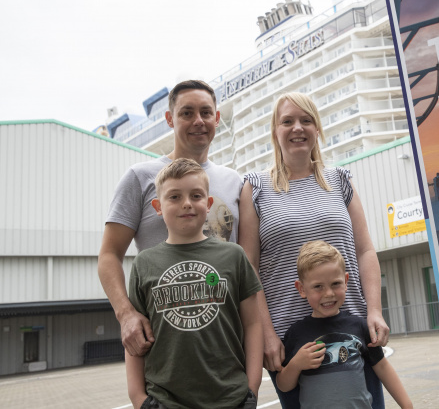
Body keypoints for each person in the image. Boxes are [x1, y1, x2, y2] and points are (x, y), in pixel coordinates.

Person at [238, 92, 390, 409]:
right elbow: (247, 267)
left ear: (317, 129)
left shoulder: (339, 180)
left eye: (306, 120)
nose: (298, 128)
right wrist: (266, 335)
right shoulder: (255, 187)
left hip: (352, 333)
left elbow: (365, 251)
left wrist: (374, 310)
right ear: (275, 131)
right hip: (291, 344)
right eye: (288, 121)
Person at [98, 79, 243, 357]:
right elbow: (109, 255)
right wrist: (126, 314)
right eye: (187, 113)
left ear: (217, 117)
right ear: (169, 119)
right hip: (163, 337)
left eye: (205, 112)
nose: (198, 121)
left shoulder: (234, 181)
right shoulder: (140, 177)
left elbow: (246, 263)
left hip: (224, 337)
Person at [126, 158, 262, 409]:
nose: (186, 203)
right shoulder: (144, 264)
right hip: (165, 401)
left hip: (231, 398)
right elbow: (136, 337)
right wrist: (138, 398)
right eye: (174, 197)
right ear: (158, 206)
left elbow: (253, 324)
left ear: (208, 204)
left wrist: (251, 389)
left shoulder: (234, 256)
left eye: (196, 195)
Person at [277, 241, 412, 409]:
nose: (328, 293)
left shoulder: (359, 326)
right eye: (318, 286)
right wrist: (296, 364)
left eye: (335, 283)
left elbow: (382, 367)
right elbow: (283, 385)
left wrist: (407, 405)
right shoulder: (296, 333)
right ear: (301, 289)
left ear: (346, 281)